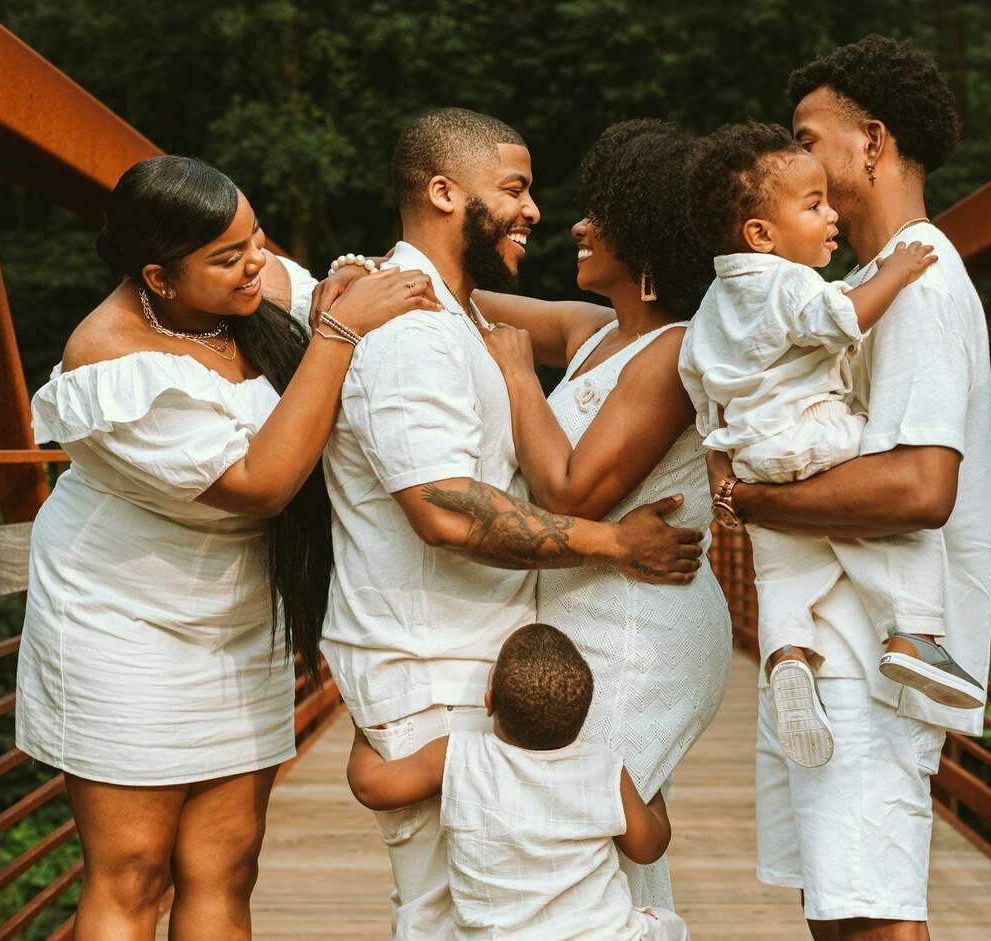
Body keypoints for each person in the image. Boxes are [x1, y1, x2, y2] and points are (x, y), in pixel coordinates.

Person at [16, 155, 439, 939]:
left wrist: (353, 284)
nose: (257, 262)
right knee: (134, 869)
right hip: (122, 619)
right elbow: (259, 483)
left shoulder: (250, 283)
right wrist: (339, 332)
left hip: (238, 616)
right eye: (228, 255)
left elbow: (341, 295)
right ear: (159, 277)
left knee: (230, 861)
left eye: (257, 237)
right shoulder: (106, 356)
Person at [318, 108, 703, 939]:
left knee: (507, 901)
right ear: (444, 192)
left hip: (491, 649)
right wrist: (612, 542)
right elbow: (441, 506)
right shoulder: (413, 335)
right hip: (430, 660)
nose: (539, 211)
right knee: (454, 910)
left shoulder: (458, 319)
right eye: (516, 188)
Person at [707, 36, 991, 938]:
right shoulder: (858, 285)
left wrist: (753, 501)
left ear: (871, 142)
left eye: (806, 138)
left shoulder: (920, 278)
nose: (793, 158)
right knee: (838, 914)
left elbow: (919, 486)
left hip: (874, 665)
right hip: (834, 651)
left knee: (873, 919)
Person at [475, 119, 731, 907]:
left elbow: (567, 492)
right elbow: (459, 301)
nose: (578, 227)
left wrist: (520, 377)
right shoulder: (596, 334)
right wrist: (351, 278)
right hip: (588, 599)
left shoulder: (674, 353)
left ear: (646, 239)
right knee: (583, 817)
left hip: (640, 622)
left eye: (601, 215)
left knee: (594, 821)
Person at [678, 121, 983, 770]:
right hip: (817, 432)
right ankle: (913, 631)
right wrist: (895, 272)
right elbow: (840, 318)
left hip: (752, 453)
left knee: (782, 568)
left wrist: (721, 465)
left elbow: (701, 391)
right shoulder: (789, 282)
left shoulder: (709, 308)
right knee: (887, 513)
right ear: (761, 235)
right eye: (813, 206)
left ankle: (787, 654)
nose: (831, 216)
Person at [346, 623, 689, 941]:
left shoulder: (459, 755)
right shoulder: (605, 769)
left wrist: (362, 735)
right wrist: (654, 785)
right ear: (584, 715)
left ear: (489, 702)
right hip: (599, 934)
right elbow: (649, 846)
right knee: (666, 926)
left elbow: (370, 787)